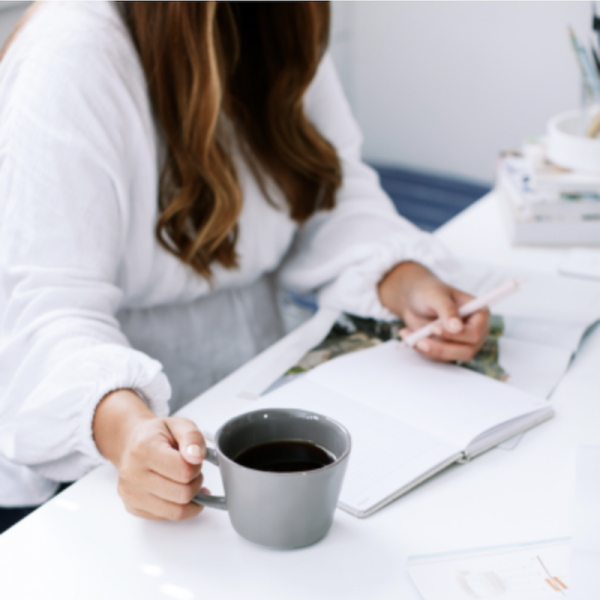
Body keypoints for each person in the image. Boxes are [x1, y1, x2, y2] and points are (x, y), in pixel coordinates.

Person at [0, 1, 489, 528]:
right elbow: (44, 314)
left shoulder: (279, 19)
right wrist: (130, 434)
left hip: (251, 383)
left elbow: (328, 191)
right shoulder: (70, 56)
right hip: (101, 456)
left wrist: (404, 279)